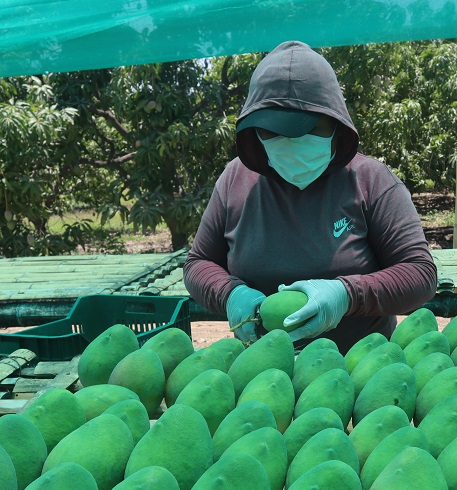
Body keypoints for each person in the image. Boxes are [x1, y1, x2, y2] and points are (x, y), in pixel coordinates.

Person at [183, 40, 438, 354]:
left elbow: (420, 273)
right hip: (264, 374)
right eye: (273, 131)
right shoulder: (235, 181)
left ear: (335, 122)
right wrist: (229, 293)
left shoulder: (371, 181)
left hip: (359, 372)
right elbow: (198, 263)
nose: (291, 142)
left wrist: (347, 294)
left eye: (310, 128)